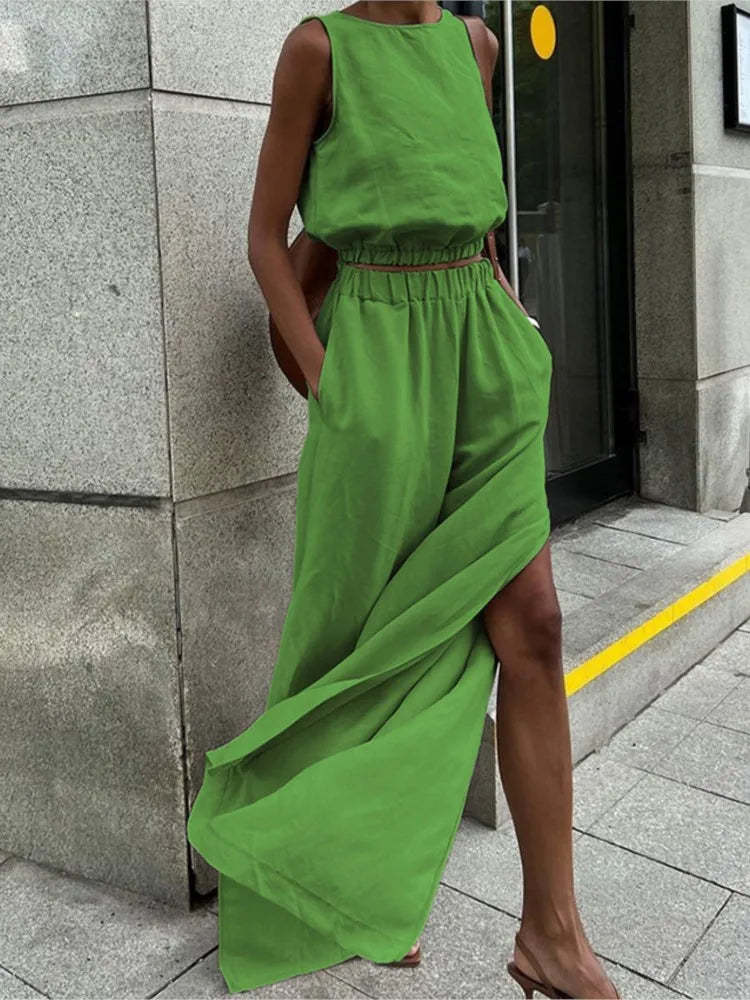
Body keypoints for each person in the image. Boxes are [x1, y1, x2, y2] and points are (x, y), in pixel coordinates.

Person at [187, 3, 621, 997]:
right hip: (378, 379)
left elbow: (471, 218)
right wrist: (331, 384)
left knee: (536, 625)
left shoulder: (476, 46)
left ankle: (552, 933)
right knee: (359, 641)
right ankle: (341, 890)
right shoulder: (319, 49)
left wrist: (516, 324)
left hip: (485, 366)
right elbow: (268, 240)